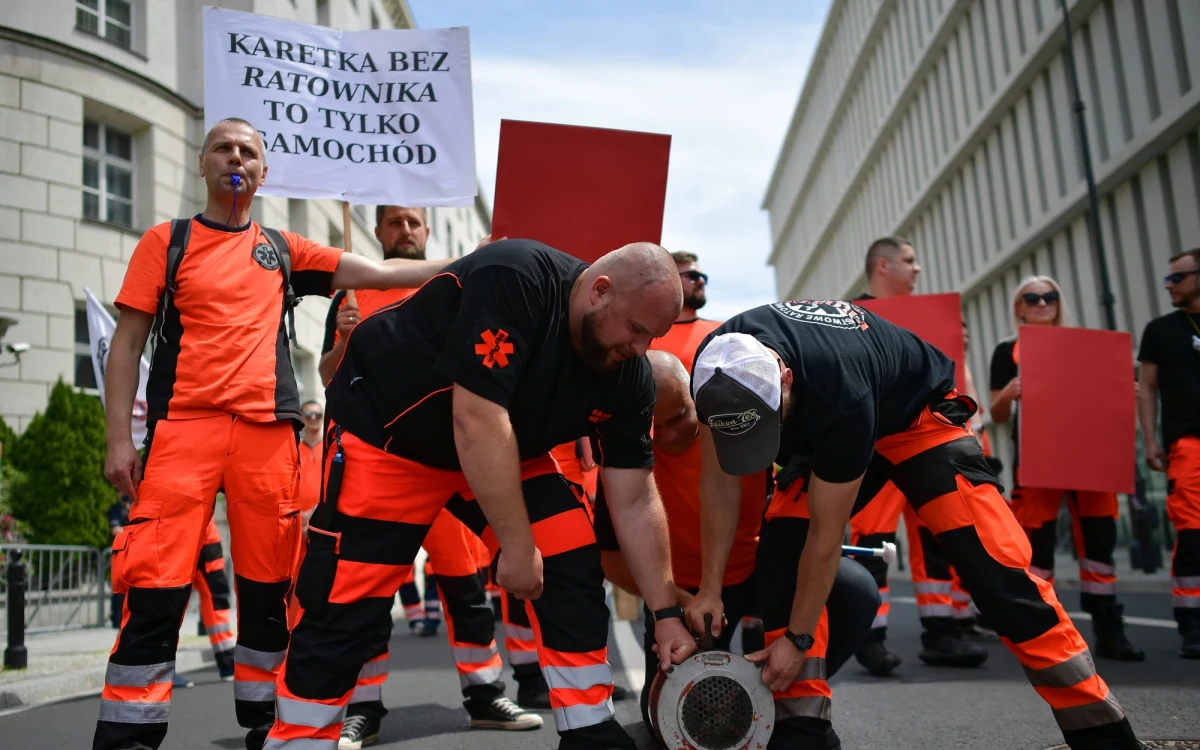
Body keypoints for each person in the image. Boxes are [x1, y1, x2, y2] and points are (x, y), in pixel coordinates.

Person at [97, 117, 454, 750]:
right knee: (154, 583)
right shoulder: (166, 240)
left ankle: (264, 723)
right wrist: (118, 440)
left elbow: (378, 273)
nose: (236, 158)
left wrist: (471, 263)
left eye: (249, 152)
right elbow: (125, 345)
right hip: (183, 430)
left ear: (263, 173)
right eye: (224, 148)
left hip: (268, 437)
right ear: (201, 165)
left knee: (271, 591)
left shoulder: (284, 248)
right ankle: (128, 734)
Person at [267, 239, 697, 750]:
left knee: (570, 561)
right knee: (345, 598)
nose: (642, 349)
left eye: (654, 337)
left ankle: (590, 731)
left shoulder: (630, 377)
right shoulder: (516, 276)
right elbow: (476, 418)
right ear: (599, 291)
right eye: (636, 329)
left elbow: (634, 498)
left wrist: (665, 613)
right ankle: (299, 740)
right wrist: (516, 548)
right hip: (392, 436)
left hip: (507, 448)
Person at [685, 300, 1140, 750]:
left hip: (916, 419)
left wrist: (797, 639)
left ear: (785, 379)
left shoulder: (838, 391)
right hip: (831, 414)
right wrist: (710, 588)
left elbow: (826, 538)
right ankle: (802, 732)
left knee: (995, 571)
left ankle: (1101, 732)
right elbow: (719, 484)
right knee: (782, 554)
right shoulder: (712, 370)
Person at [314, 220, 545, 748]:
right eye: (395, 221)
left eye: (415, 220)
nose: (406, 229)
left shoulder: (453, 282)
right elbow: (328, 375)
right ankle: (363, 708)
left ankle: (486, 694)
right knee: (369, 593)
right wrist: (344, 337)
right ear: (377, 230)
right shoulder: (351, 293)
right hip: (382, 465)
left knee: (466, 587)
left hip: (446, 463)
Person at [594, 350, 879, 737]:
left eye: (678, 417)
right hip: (684, 599)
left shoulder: (742, 428)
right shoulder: (624, 456)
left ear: (699, 399)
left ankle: (775, 691)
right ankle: (730, 693)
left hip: (758, 575)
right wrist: (676, 603)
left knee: (857, 593)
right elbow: (611, 560)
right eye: (652, 426)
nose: (668, 436)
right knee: (667, 723)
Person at [847, 237, 986, 675]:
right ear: (883, 266)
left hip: (931, 440)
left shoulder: (932, 319)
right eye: (910, 260)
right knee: (872, 544)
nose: (918, 268)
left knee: (935, 540)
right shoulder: (851, 315)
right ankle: (868, 637)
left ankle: (942, 633)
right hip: (880, 443)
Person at [990, 276, 1143, 661]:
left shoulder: (1086, 348)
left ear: (1059, 302)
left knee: (1099, 547)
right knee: (1038, 552)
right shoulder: (1006, 352)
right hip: (1038, 462)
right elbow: (995, 413)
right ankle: (1047, 635)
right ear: (1019, 307)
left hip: (1091, 459)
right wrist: (1009, 393)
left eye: (1050, 296)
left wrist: (1126, 391)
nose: (1043, 303)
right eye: (1033, 298)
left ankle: (1108, 629)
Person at [1137, 248, 1200, 659]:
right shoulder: (1160, 330)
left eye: (1176, 278)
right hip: (1188, 444)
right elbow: (1147, 387)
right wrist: (1150, 437)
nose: (1168, 286)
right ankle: (1192, 624)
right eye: (1166, 279)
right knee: (1193, 532)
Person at [107, 493, 131, 629]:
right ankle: (117, 619)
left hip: (134, 553)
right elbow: (115, 530)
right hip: (121, 552)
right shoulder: (115, 509)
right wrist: (133, 532)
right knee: (119, 587)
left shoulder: (133, 508)